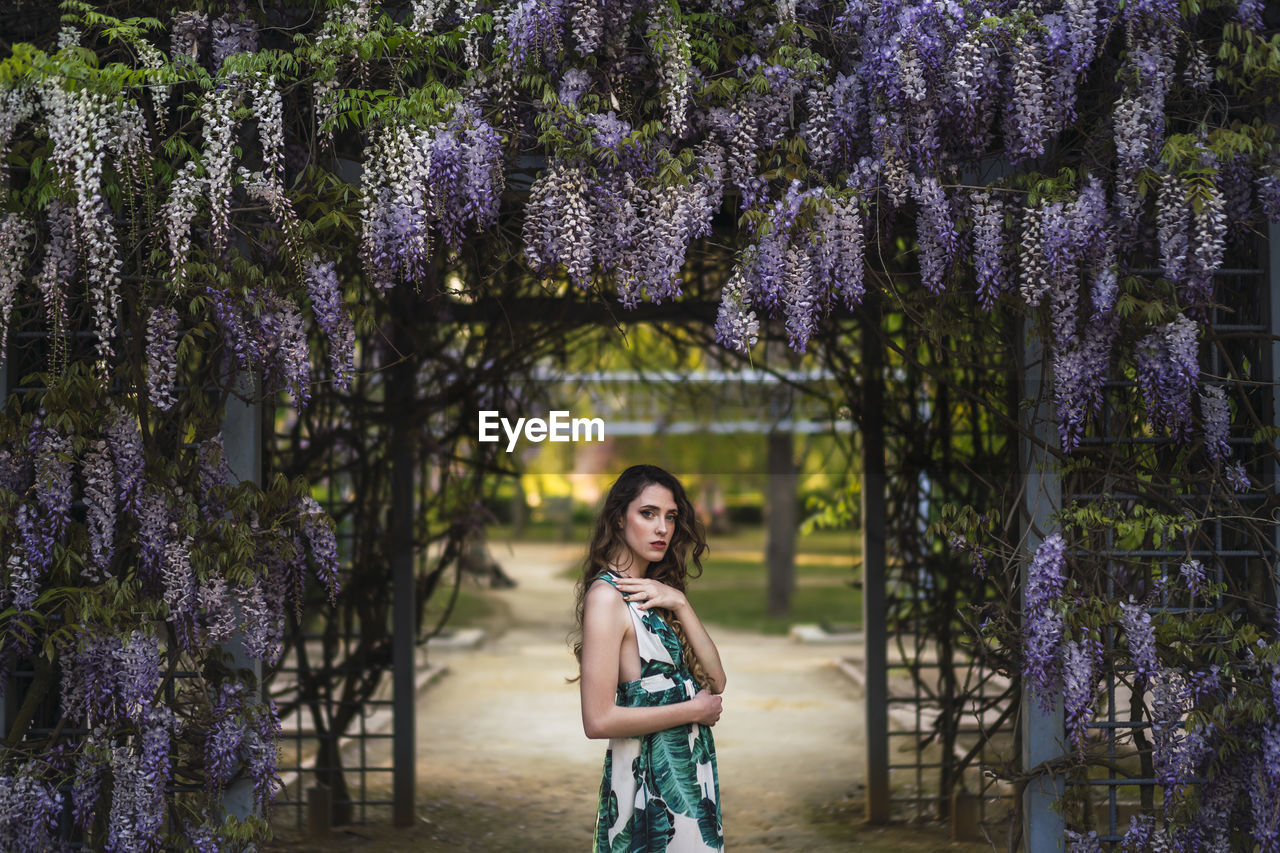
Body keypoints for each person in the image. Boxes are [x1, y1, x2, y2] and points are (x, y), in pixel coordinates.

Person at [571, 464, 727, 852]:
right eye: (648, 513)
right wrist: (692, 711)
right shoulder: (607, 597)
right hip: (648, 793)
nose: (662, 528)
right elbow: (598, 719)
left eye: (670, 517)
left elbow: (717, 681)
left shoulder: (656, 594)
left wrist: (681, 603)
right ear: (619, 518)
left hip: (688, 786)